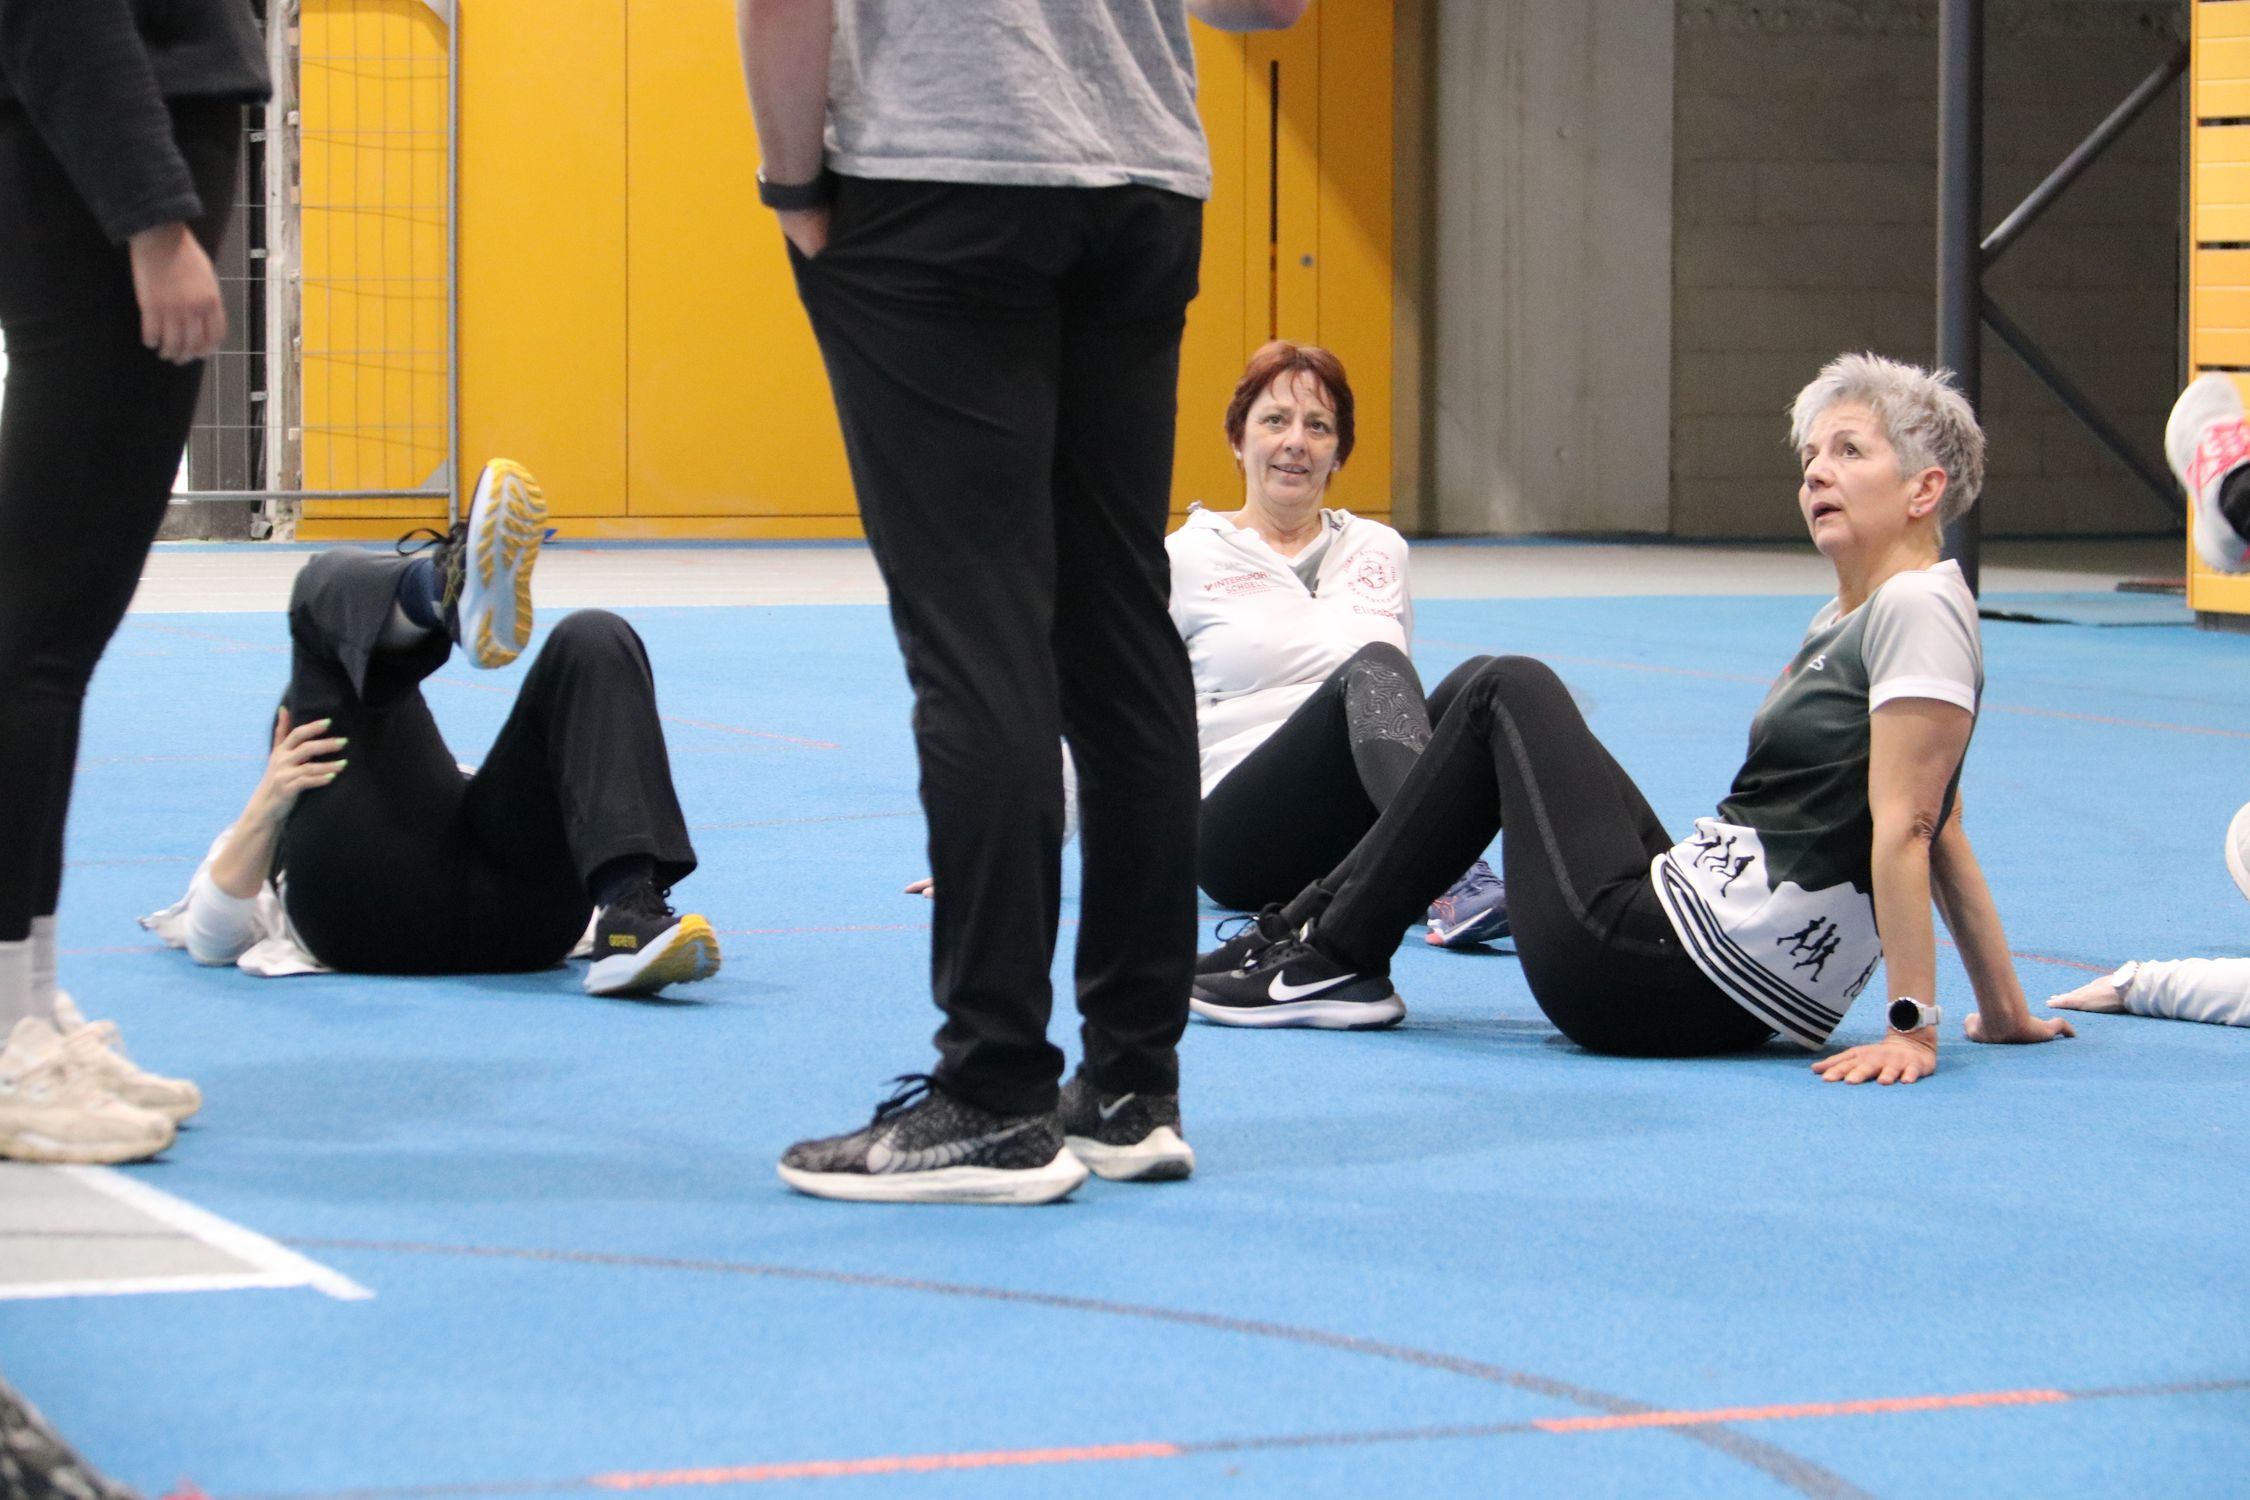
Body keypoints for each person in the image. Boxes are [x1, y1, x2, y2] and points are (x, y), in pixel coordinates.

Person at [738, 0, 1308, 1205]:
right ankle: (1130, 1088)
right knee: (1117, 629)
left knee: (975, 629)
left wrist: (792, 186)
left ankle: (993, 1093)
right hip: (1144, 178)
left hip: (938, 168)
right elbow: (1268, 8)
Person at [1196, 352, 2080, 1079]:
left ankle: (1331, 955)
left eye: (1849, 451)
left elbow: (1912, 827)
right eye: (1812, 454)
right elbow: (1947, 822)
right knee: (1476, 688)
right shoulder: (1853, 616)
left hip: (1662, 976)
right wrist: (2002, 1010)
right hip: (1690, 944)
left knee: (1508, 686)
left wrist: (1911, 1028)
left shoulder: (1919, 606)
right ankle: (1311, 935)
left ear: (1924, 491)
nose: (1816, 471)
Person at [141, 461, 722, 1002]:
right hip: (371, 916)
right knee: (322, 594)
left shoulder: (452, 789)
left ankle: (628, 920)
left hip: (520, 920)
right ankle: (442, 592)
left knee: (595, 636)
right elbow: (211, 939)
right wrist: (268, 807)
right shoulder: (276, 815)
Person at [0, 0, 270, 1164]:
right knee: (35, 640)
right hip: (97, 177)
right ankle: (5, 1035)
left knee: (47, 642)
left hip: (116, 157)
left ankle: (27, 998)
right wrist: (154, 219)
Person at [1171, 340, 1508, 952]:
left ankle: (1629, 880)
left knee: (1493, 682)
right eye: (1275, 420)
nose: (1295, 441)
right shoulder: (1184, 558)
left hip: (1351, 832)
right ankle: (1454, 876)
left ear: (1339, 452)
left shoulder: (1381, 549)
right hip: (1238, 836)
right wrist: (1027, 841)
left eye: (1318, 426)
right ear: (1238, 439)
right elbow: (1111, 716)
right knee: (1374, 665)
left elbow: (1397, 717)